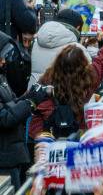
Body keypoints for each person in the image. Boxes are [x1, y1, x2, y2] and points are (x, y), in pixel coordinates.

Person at [28, 15, 103, 139]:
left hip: (43, 136)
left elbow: (30, 102)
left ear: (57, 62)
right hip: (73, 137)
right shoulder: (88, 79)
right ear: (83, 64)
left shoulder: (46, 79)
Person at [0, 51, 50, 187]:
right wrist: (30, 102)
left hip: (12, 154)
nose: (4, 61)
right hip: (4, 159)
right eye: (1, 57)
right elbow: (4, 117)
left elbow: (10, 104)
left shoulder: (2, 77)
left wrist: (28, 97)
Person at [30, 8, 86, 87]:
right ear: (78, 27)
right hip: (62, 97)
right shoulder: (78, 50)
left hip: (33, 94)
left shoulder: (33, 43)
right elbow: (86, 82)